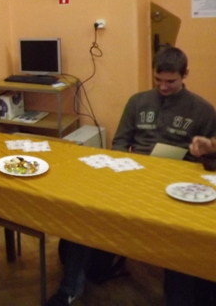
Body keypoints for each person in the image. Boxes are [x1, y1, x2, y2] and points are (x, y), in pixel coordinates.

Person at [48, 46, 216, 306]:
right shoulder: (138, 101)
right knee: (85, 210)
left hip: (177, 184)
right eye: (158, 80)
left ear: (185, 75)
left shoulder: (203, 110)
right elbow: (120, 142)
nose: (163, 87)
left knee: (183, 236)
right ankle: (69, 289)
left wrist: (206, 151)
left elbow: (210, 162)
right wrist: (122, 168)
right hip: (134, 176)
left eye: (170, 81)